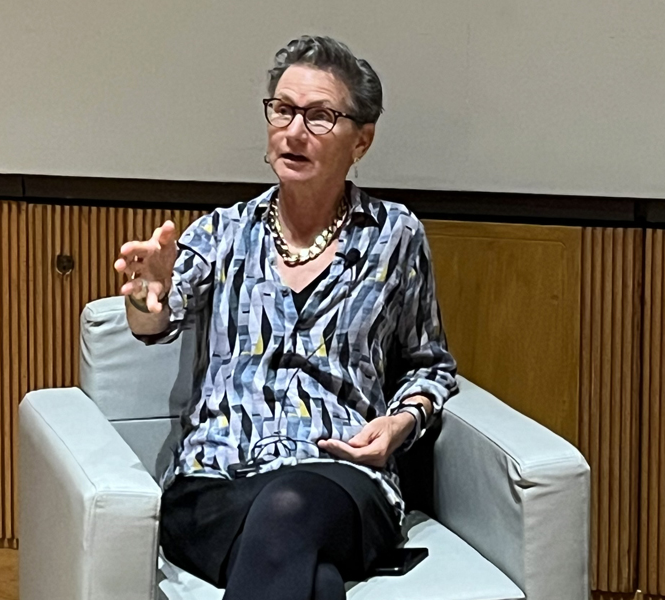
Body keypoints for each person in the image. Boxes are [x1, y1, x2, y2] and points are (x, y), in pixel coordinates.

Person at [114, 35, 457, 600]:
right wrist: (142, 294)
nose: (294, 132)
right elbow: (154, 320)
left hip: (341, 481)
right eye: (283, 110)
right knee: (315, 583)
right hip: (214, 483)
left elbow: (429, 365)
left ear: (362, 141)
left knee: (290, 505)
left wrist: (397, 428)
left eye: (321, 117)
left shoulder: (395, 236)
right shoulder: (223, 232)